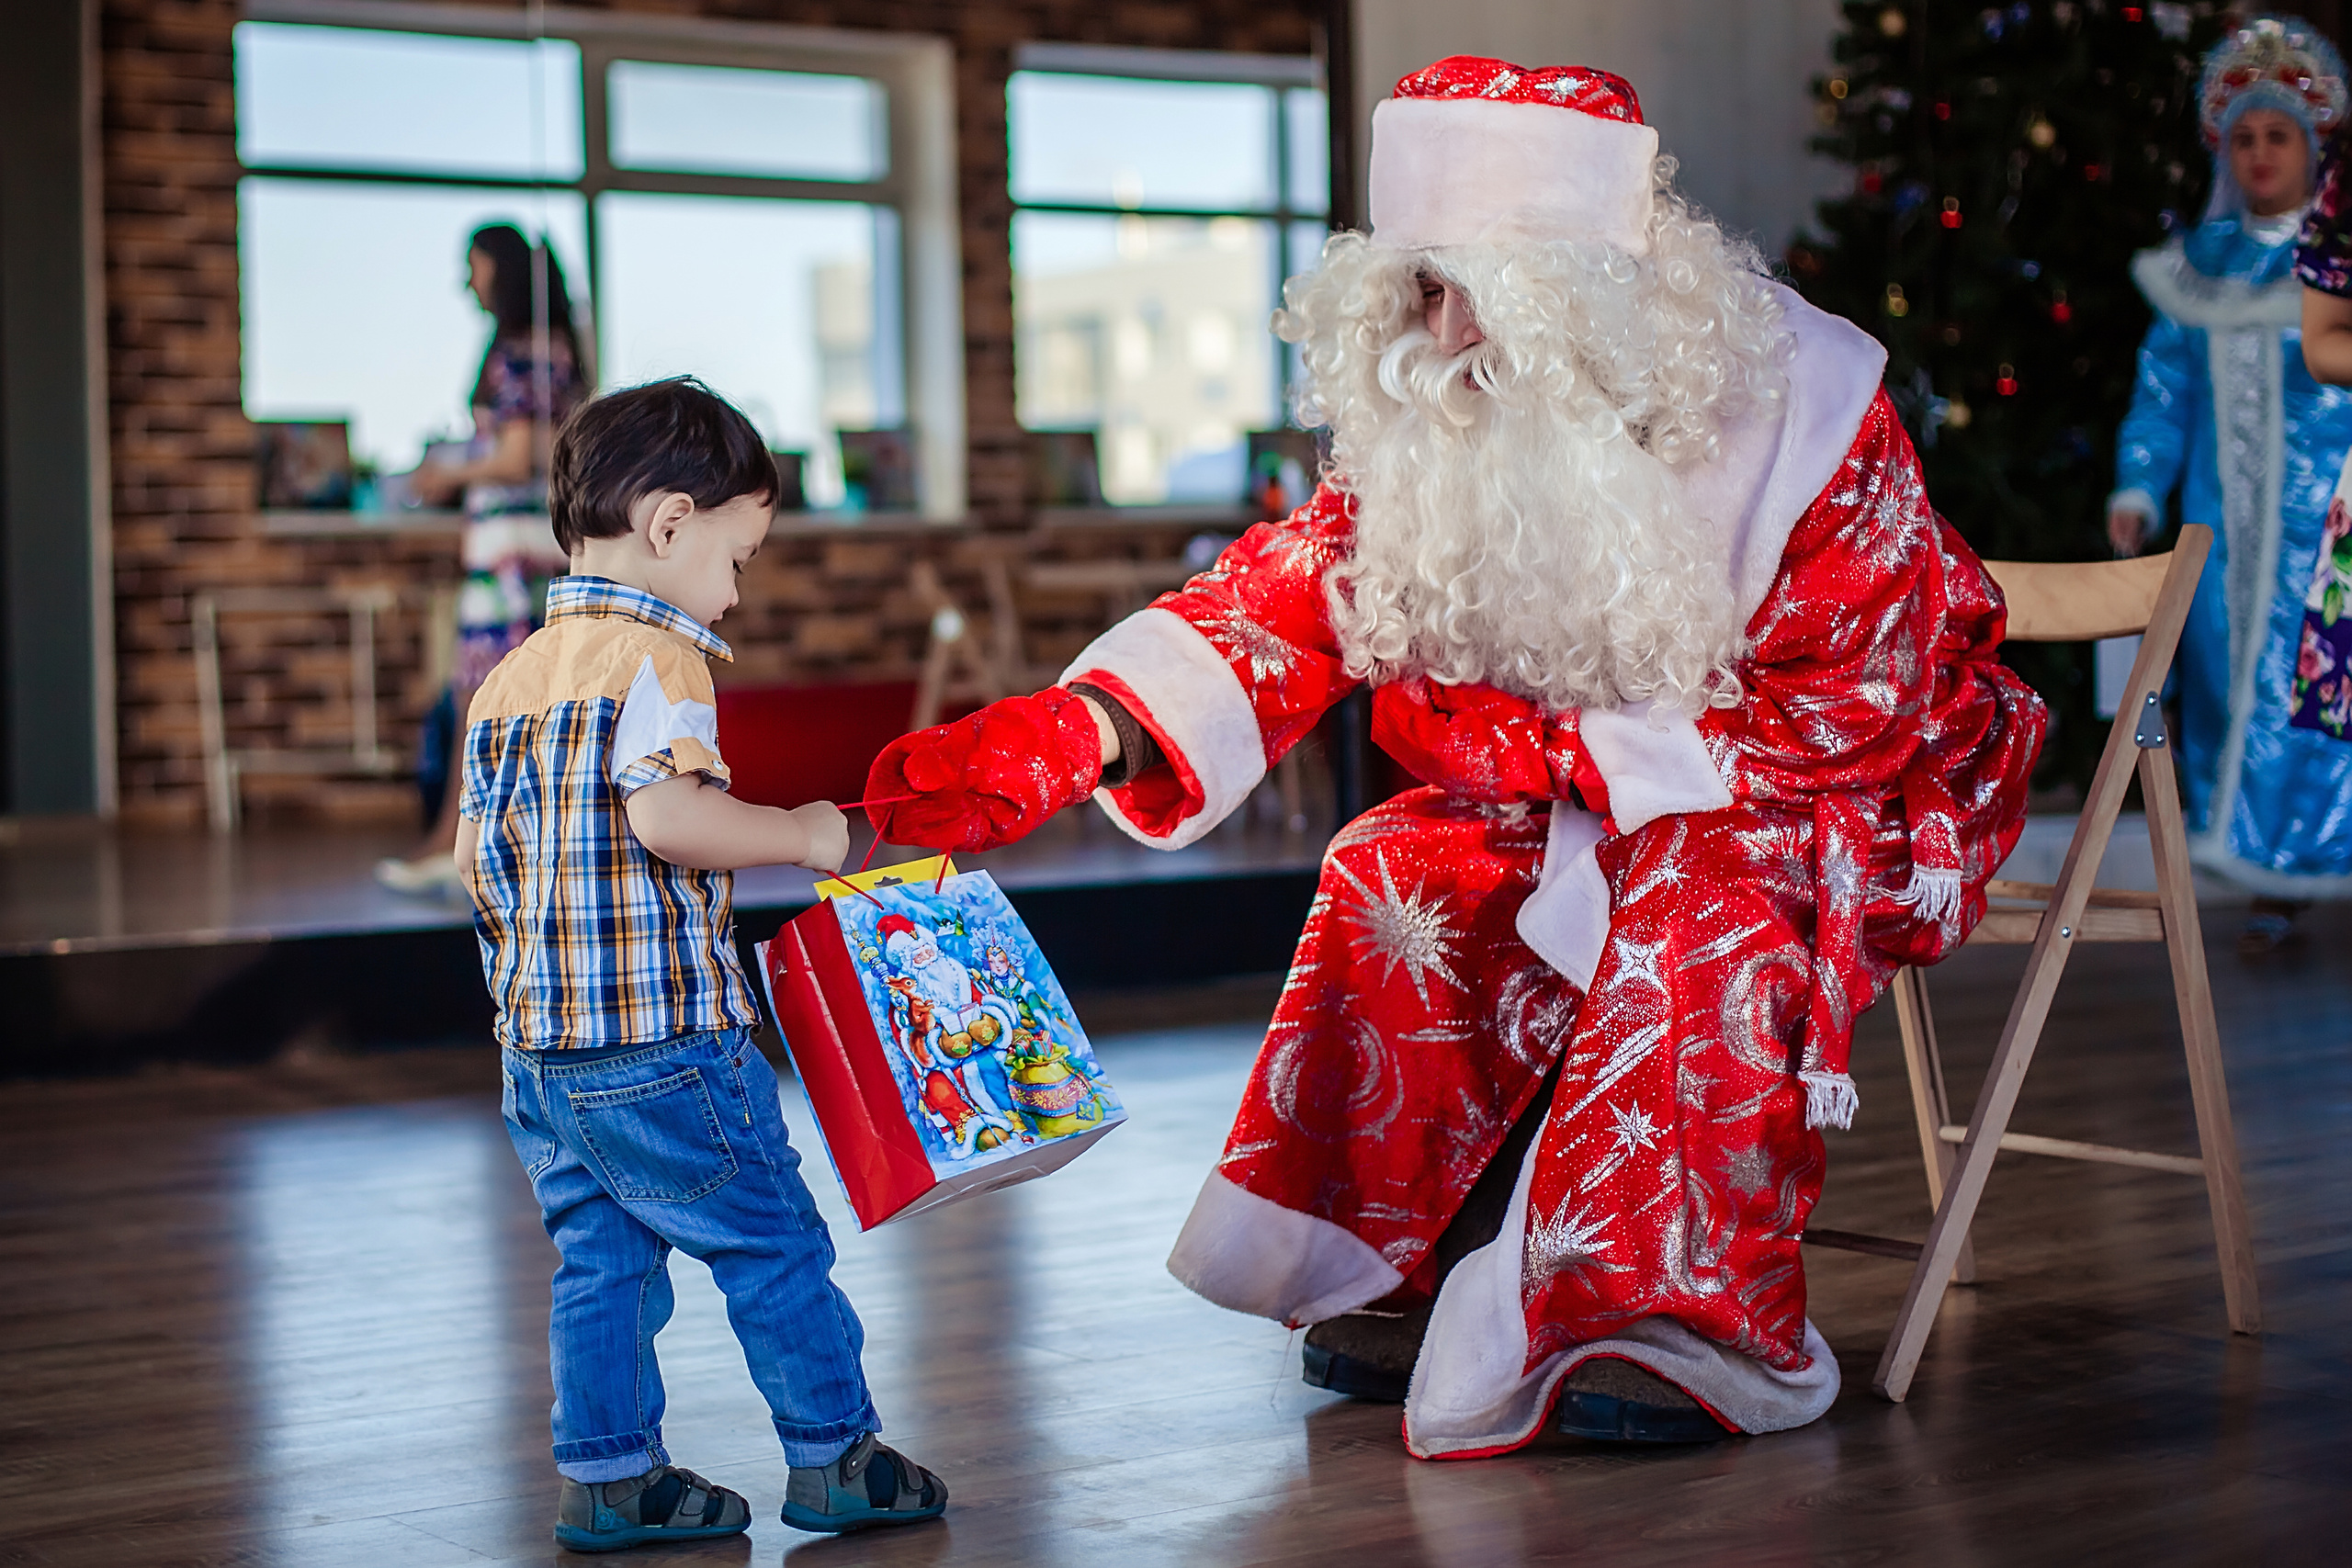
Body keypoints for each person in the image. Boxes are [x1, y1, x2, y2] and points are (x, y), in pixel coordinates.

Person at [861, 58, 2045, 1457]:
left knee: (1695, 903)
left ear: (1576, 284)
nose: (1435, 328)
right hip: (1587, 783)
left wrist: (1574, 756)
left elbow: (1867, 691)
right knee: (1391, 858)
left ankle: (1667, 1312)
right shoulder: (1454, 410)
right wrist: (1075, 731)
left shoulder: (1812, 409)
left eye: (1462, 283)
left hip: (1816, 780)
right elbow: (1292, 590)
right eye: (1415, 286)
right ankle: (1418, 1258)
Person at [455, 377, 946, 1548]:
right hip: (664, 1041)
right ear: (670, 525)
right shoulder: (657, 660)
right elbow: (670, 818)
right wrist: (801, 832)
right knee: (772, 1241)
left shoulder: (508, 678)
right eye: (739, 556)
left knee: (601, 1262)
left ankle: (610, 1476)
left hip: (540, 1054)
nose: (735, 587)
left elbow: (477, 859)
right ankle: (836, 1457)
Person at [2112, 15, 2352, 953]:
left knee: (2319, 689)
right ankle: (2266, 869)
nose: (2260, 154)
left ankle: (2315, 859)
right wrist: (2138, 485)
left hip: (2327, 524)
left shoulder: (2333, 261)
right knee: (2225, 679)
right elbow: (2161, 391)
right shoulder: (2199, 270)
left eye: (2277, 135)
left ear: (2312, 146)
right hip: (2222, 528)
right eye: (2244, 137)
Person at [379, 222, 588, 894]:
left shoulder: (520, 352)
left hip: (511, 553)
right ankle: (478, 849)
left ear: (499, 269)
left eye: (472, 266)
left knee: (482, 698)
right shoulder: (557, 348)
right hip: (538, 545)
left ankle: (453, 846)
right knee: (511, 703)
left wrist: (444, 473)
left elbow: (518, 453)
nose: (466, 280)